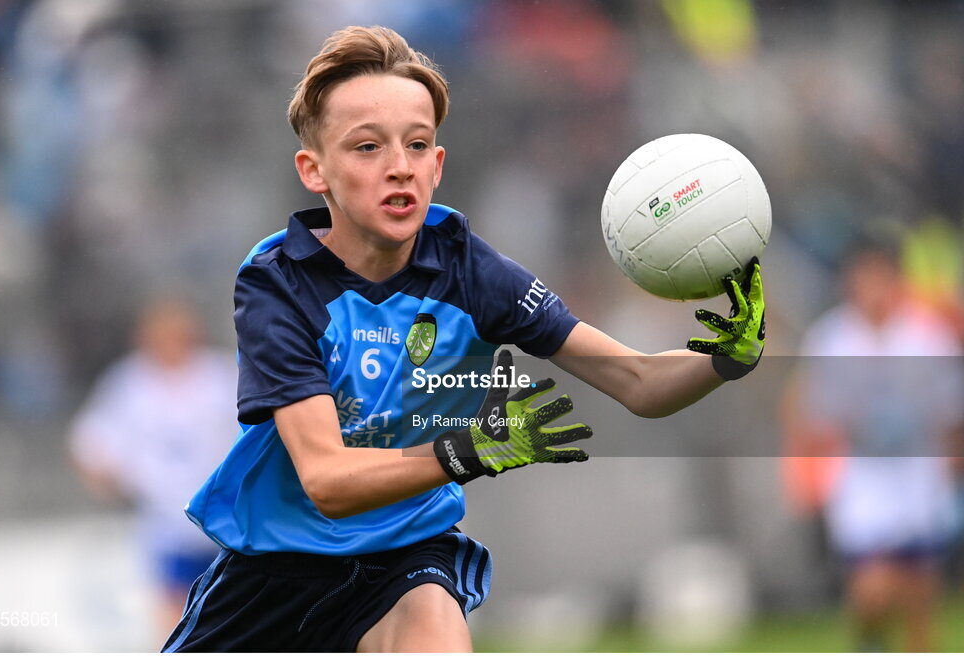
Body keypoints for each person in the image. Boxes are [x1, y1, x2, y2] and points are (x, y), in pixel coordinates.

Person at [162, 25, 766, 653]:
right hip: (272, 574)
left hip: (404, 559)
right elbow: (327, 481)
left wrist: (723, 359)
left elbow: (637, 381)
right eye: (367, 147)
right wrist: (464, 451)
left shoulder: (471, 271)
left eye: (417, 145)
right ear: (314, 171)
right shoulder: (277, 284)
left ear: (438, 164)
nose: (399, 167)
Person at [784, 245, 964, 652]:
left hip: (918, 476)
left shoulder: (927, 337)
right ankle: (868, 639)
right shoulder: (831, 339)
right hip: (864, 478)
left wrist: (953, 472)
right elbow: (810, 412)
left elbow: (952, 412)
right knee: (873, 588)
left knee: (919, 597)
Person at [69, 296, 238, 638]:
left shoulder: (221, 377)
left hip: (225, 525)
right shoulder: (129, 384)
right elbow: (92, 443)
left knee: (230, 615)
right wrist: (110, 480)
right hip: (165, 528)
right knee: (175, 621)